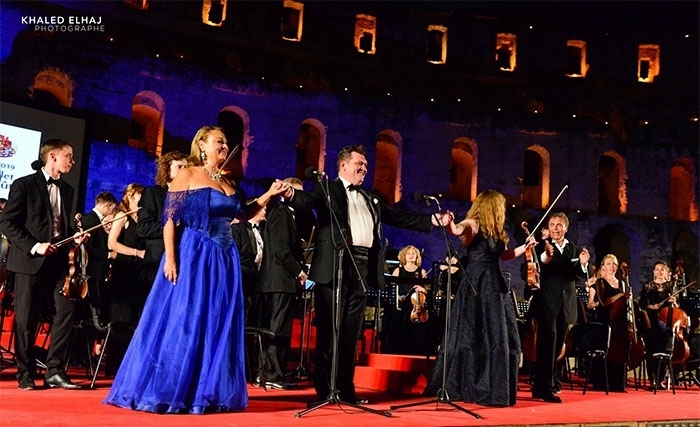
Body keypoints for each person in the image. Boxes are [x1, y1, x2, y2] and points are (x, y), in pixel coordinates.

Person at [104, 125, 288, 413]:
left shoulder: (229, 183)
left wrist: (269, 195)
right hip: (195, 253)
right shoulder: (187, 174)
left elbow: (243, 214)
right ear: (202, 145)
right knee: (187, 318)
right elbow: (169, 220)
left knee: (217, 321)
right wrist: (171, 258)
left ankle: (207, 389)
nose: (225, 146)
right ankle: (174, 388)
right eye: (219, 141)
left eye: (226, 142)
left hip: (226, 260)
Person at [286, 144, 452, 404]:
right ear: (343, 165)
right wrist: (289, 194)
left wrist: (430, 221)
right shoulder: (328, 189)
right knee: (331, 331)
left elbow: (397, 216)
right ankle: (325, 390)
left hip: (362, 266)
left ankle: (346, 390)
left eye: (365, 165)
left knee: (351, 332)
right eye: (359, 164)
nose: (364, 168)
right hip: (334, 267)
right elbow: (305, 201)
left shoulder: (370, 196)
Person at [423, 190, 534, 407]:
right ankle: (466, 384)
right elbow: (456, 230)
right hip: (477, 281)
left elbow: (505, 256)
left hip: (494, 283)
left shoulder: (496, 231)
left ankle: (495, 387)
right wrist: (450, 224)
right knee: (472, 332)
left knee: (496, 332)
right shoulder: (473, 223)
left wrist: (526, 247)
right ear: (492, 206)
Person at [0, 139, 85, 390]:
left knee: (67, 310)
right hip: (29, 261)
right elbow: (6, 223)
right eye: (68, 155)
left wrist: (75, 236)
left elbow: (62, 227)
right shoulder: (24, 184)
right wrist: (35, 246)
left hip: (58, 262)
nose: (72, 160)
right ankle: (25, 374)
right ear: (53, 157)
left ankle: (54, 370)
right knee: (26, 320)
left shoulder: (67, 190)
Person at [529, 212, 590, 403]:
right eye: (552, 224)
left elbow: (578, 275)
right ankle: (544, 387)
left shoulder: (574, 249)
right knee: (547, 344)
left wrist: (583, 264)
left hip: (566, 305)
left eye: (559, 225)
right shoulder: (541, 247)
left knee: (556, 349)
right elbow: (534, 269)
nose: (555, 228)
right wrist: (545, 257)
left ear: (566, 228)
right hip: (547, 304)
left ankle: (541, 385)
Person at [255, 177, 307, 390]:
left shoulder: (286, 216)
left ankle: (268, 373)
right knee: (277, 329)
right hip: (279, 282)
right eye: (298, 193)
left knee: (276, 329)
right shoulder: (281, 214)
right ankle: (272, 374)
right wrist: (299, 272)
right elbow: (281, 250)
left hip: (279, 282)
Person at [104, 183, 146, 375]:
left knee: (137, 318)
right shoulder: (123, 216)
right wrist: (137, 253)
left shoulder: (145, 218)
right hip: (124, 269)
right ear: (129, 196)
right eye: (137, 195)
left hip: (141, 272)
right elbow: (112, 243)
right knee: (121, 318)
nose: (140, 199)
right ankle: (115, 366)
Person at [136, 150, 188, 297]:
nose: (184, 171)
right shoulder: (152, 193)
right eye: (179, 167)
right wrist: (172, 227)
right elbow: (143, 228)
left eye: (186, 167)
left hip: (183, 257)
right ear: (167, 169)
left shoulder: (189, 196)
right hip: (157, 260)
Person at [381, 244, 432, 356]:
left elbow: (428, 292)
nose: (411, 255)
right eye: (408, 253)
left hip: (416, 306)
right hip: (401, 306)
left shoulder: (422, 271)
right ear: (404, 256)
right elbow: (392, 289)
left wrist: (422, 289)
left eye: (414, 254)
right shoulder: (397, 271)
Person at [80, 191, 117, 328]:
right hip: (93, 269)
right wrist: (107, 255)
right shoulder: (91, 220)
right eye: (112, 209)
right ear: (107, 205)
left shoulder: (94, 220)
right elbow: (89, 246)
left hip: (97, 270)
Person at [639, 260, 676, 388]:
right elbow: (642, 305)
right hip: (651, 322)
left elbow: (678, 308)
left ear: (666, 272)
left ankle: (661, 379)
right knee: (651, 350)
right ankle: (652, 379)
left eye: (662, 270)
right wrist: (651, 306)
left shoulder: (671, 287)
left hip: (666, 324)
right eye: (657, 269)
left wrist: (674, 302)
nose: (660, 272)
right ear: (654, 271)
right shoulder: (648, 287)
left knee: (665, 349)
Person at [231, 204, 266, 326]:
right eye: (263, 208)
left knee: (257, 316)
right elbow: (236, 254)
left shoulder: (262, 231)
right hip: (243, 278)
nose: (265, 210)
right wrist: (256, 258)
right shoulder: (237, 228)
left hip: (259, 279)